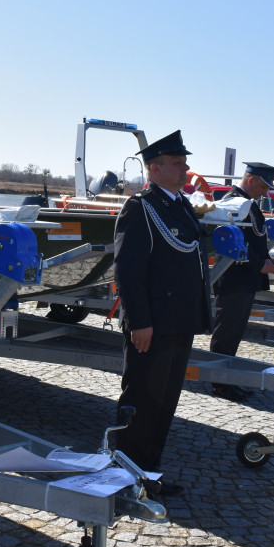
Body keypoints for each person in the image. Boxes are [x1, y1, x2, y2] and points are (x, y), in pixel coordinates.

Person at [112, 130, 211, 487]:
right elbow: (127, 269)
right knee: (141, 400)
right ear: (154, 169)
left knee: (164, 403)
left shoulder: (180, 205)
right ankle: (125, 474)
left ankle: (148, 471)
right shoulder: (140, 207)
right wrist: (139, 321)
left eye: (184, 163)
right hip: (151, 324)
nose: (185, 170)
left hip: (178, 321)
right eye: (177, 164)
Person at [208, 163, 274, 401]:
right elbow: (230, 246)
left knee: (234, 333)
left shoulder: (246, 204)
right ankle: (220, 383)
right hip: (234, 279)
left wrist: (266, 260)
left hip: (243, 280)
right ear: (251, 179)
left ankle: (227, 379)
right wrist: (259, 264)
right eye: (263, 186)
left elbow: (253, 241)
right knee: (226, 334)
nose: (265, 192)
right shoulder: (234, 203)